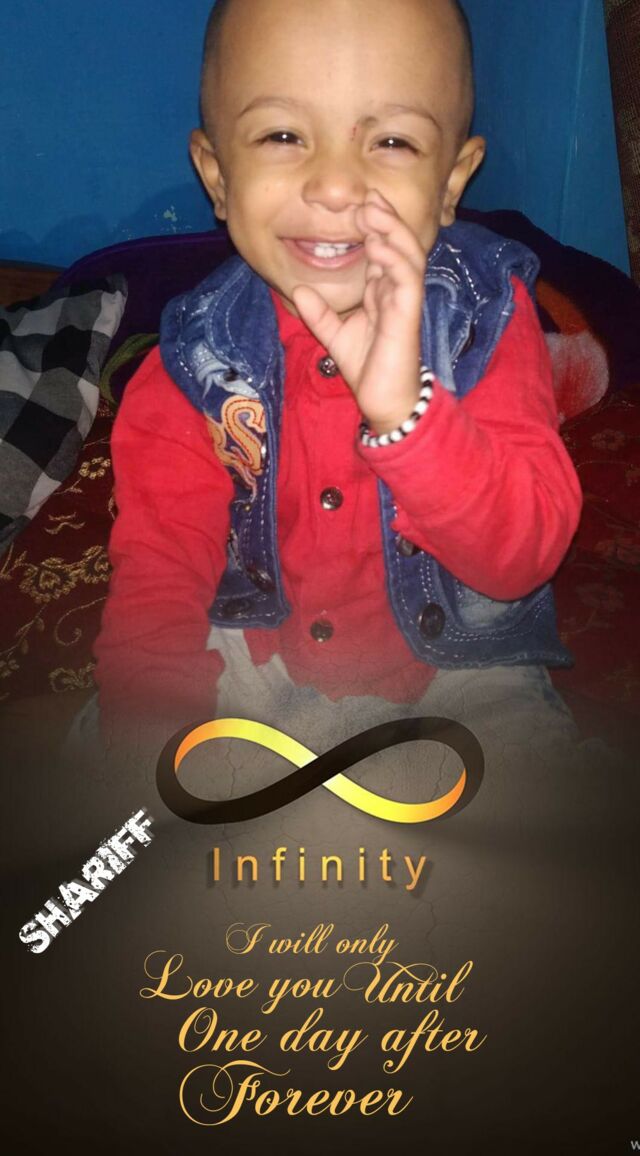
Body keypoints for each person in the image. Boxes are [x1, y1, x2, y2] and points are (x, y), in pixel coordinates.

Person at [93, 0, 583, 765]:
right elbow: (159, 583)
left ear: (451, 182)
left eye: (392, 141)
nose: (333, 185)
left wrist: (407, 415)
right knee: (109, 766)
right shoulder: (191, 362)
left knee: (553, 812)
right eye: (283, 135)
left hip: (461, 677)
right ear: (217, 176)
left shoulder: (486, 319)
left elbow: (522, 558)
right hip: (254, 663)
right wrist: (149, 755)